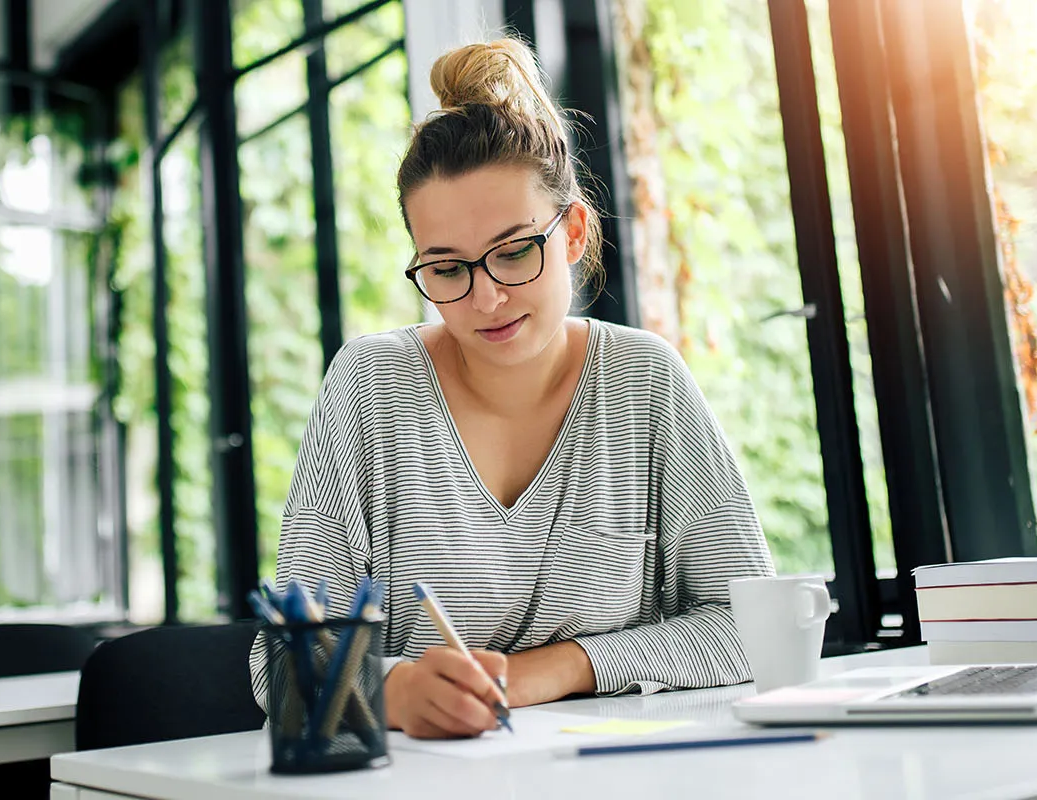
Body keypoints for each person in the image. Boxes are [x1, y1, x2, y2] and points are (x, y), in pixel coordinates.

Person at [250, 37, 775, 740]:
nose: (488, 297)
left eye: (515, 251)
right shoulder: (371, 386)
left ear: (574, 233)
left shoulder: (644, 382)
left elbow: (750, 623)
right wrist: (394, 690)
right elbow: (284, 662)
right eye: (446, 268)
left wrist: (557, 669)